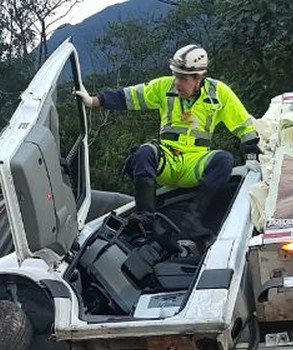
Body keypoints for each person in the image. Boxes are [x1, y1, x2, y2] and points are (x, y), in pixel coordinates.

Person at [76, 44, 260, 227]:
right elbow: (130, 96)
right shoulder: (164, 86)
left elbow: (244, 125)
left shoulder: (219, 93)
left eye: (183, 78)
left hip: (195, 162)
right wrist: (93, 101)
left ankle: (195, 219)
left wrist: (252, 157)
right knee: (144, 153)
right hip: (168, 158)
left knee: (224, 159)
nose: (177, 83)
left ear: (199, 77)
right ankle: (145, 218)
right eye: (176, 76)